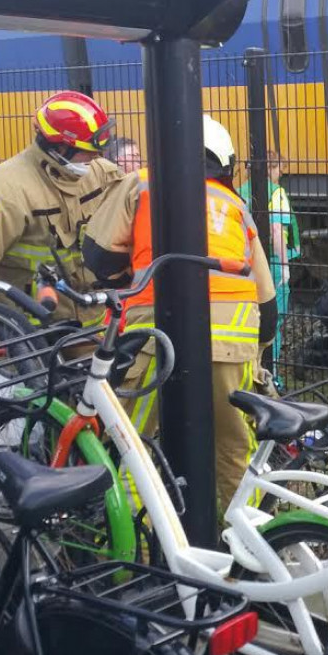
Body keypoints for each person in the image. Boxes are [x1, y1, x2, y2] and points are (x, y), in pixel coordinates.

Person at [81, 115, 277, 505]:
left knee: (134, 444)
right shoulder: (237, 207)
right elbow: (267, 305)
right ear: (226, 163)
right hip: (231, 342)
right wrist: (253, 351)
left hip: (156, 335)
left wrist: (130, 280)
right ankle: (251, 546)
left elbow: (98, 255)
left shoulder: (140, 183)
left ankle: (130, 554)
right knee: (234, 447)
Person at [0, 90, 125, 325]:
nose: (98, 156)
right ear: (61, 149)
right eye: (89, 151)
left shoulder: (102, 174)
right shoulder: (4, 192)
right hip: (29, 327)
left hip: (91, 316)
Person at [240, 150, 299, 388]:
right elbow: (277, 232)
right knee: (272, 320)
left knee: (250, 319)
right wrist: (284, 267)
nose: (280, 175)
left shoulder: (240, 191)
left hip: (246, 264)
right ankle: (271, 375)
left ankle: (248, 371)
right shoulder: (277, 193)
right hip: (271, 264)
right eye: (279, 170)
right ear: (271, 169)